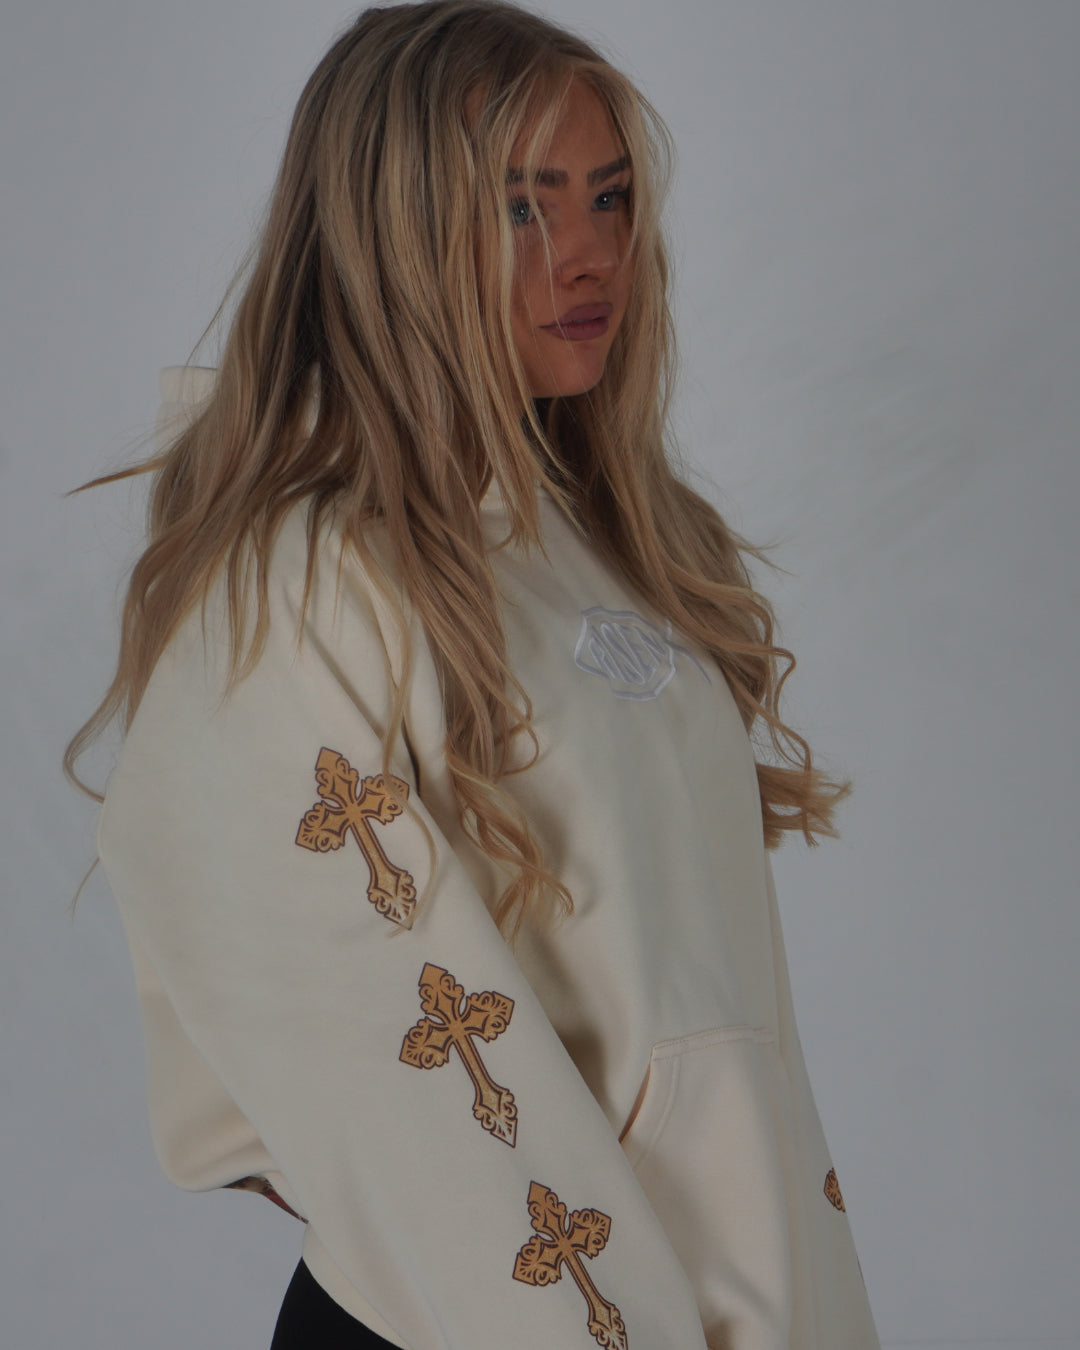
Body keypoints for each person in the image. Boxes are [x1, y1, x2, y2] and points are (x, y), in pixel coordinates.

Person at [67, 2, 880, 1346]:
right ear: (392, 233)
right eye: (520, 206)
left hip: (731, 1288)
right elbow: (369, 1057)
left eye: (609, 197)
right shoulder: (298, 580)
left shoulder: (605, 536)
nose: (590, 252)